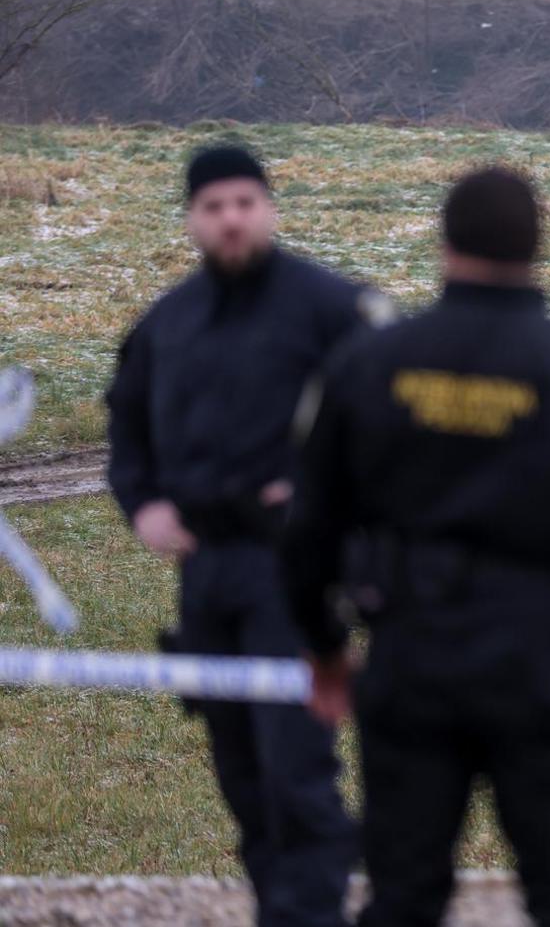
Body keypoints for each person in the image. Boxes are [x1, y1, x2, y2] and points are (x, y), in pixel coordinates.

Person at [281, 166, 550, 927]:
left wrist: (323, 648)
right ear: (539, 245)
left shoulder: (366, 366)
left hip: (410, 653)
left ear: (443, 245)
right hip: (544, 663)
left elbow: (308, 526)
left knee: (404, 895)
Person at [105, 144, 384, 927]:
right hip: (207, 575)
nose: (231, 218)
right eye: (213, 206)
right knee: (242, 775)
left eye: (244, 202)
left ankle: (314, 915)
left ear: (269, 208)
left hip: (296, 577)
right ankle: (279, 911)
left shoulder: (332, 309)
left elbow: (387, 426)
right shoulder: (169, 321)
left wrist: (325, 500)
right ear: (192, 219)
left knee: (297, 773)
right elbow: (126, 425)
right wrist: (143, 505)